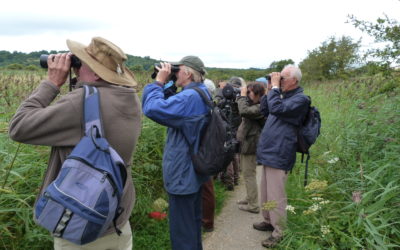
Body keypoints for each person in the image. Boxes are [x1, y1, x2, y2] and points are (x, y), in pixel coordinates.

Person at [8, 37, 142, 249]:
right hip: (117, 217)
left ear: (96, 72)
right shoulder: (130, 98)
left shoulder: (78, 103)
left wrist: (51, 83)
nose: (76, 68)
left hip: (81, 220)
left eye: (80, 63)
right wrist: (79, 80)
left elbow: (18, 128)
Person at [142, 56, 209, 250]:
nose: (175, 74)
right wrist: (170, 85)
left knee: (182, 232)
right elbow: (175, 108)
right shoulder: (201, 92)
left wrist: (159, 82)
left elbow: (152, 108)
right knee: (192, 225)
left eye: (177, 71)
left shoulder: (189, 97)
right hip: (194, 171)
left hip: (182, 173)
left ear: (187, 73)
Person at [255, 65, 310, 248]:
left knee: (276, 196)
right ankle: (269, 221)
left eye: (283, 78)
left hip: (280, 153)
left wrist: (276, 89)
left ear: (294, 80)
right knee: (265, 192)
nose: (280, 81)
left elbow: (277, 109)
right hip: (269, 151)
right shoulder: (281, 96)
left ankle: (280, 233)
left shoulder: (301, 99)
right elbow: (265, 110)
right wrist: (271, 88)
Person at [236, 82, 265, 214]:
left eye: (249, 92)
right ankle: (249, 198)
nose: (247, 94)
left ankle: (253, 205)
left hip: (251, 145)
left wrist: (242, 96)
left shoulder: (261, 107)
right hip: (247, 143)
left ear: (258, 93)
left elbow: (243, 111)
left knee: (249, 174)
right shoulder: (254, 104)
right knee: (246, 172)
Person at [215, 76, 244, 190]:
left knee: (227, 152)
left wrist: (220, 91)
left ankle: (228, 181)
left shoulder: (226, 93)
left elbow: (216, 104)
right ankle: (236, 178)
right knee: (236, 153)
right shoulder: (241, 94)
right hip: (237, 126)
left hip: (228, 126)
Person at [201, 78, 216, 233]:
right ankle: (206, 220)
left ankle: (207, 222)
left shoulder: (205, 106)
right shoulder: (211, 104)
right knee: (207, 187)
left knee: (206, 187)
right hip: (209, 151)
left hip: (204, 152)